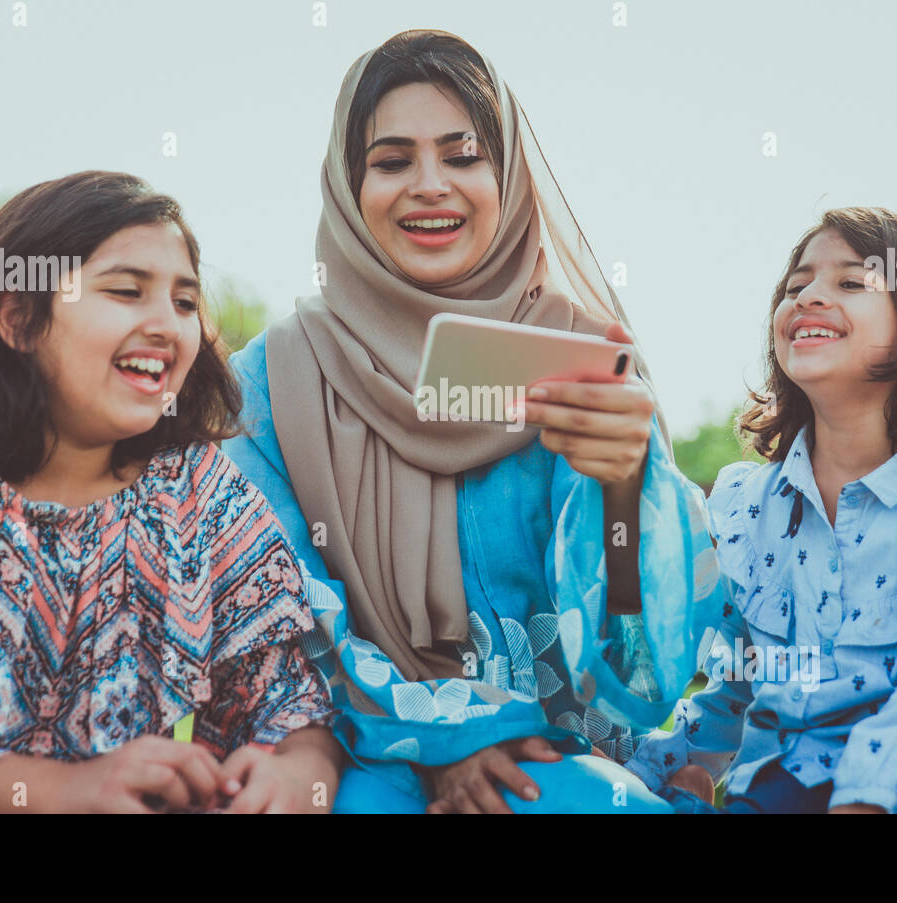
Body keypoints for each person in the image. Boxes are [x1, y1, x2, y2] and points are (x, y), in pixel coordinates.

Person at [223, 30, 725, 813]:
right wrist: (449, 739)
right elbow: (285, 616)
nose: (430, 184)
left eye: (463, 156)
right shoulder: (272, 379)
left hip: (562, 761)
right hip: (354, 753)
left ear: (509, 176)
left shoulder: (585, 362)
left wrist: (626, 490)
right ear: (348, 185)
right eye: (391, 161)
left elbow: (634, 688)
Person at [0, 171, 342, 813]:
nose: (168, 325)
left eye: (184, 302)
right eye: (126, 291)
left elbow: (286, 701)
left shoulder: (203, 493)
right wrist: (61, 793)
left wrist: (293, 773)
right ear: (18, 317)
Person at [627, 207, 897, 813]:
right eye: (796, 287)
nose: (810, 297)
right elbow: (741, 684)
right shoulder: (743, 506)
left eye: (851, 283)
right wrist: (653, 773)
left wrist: (866, 800)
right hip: (795, 769)